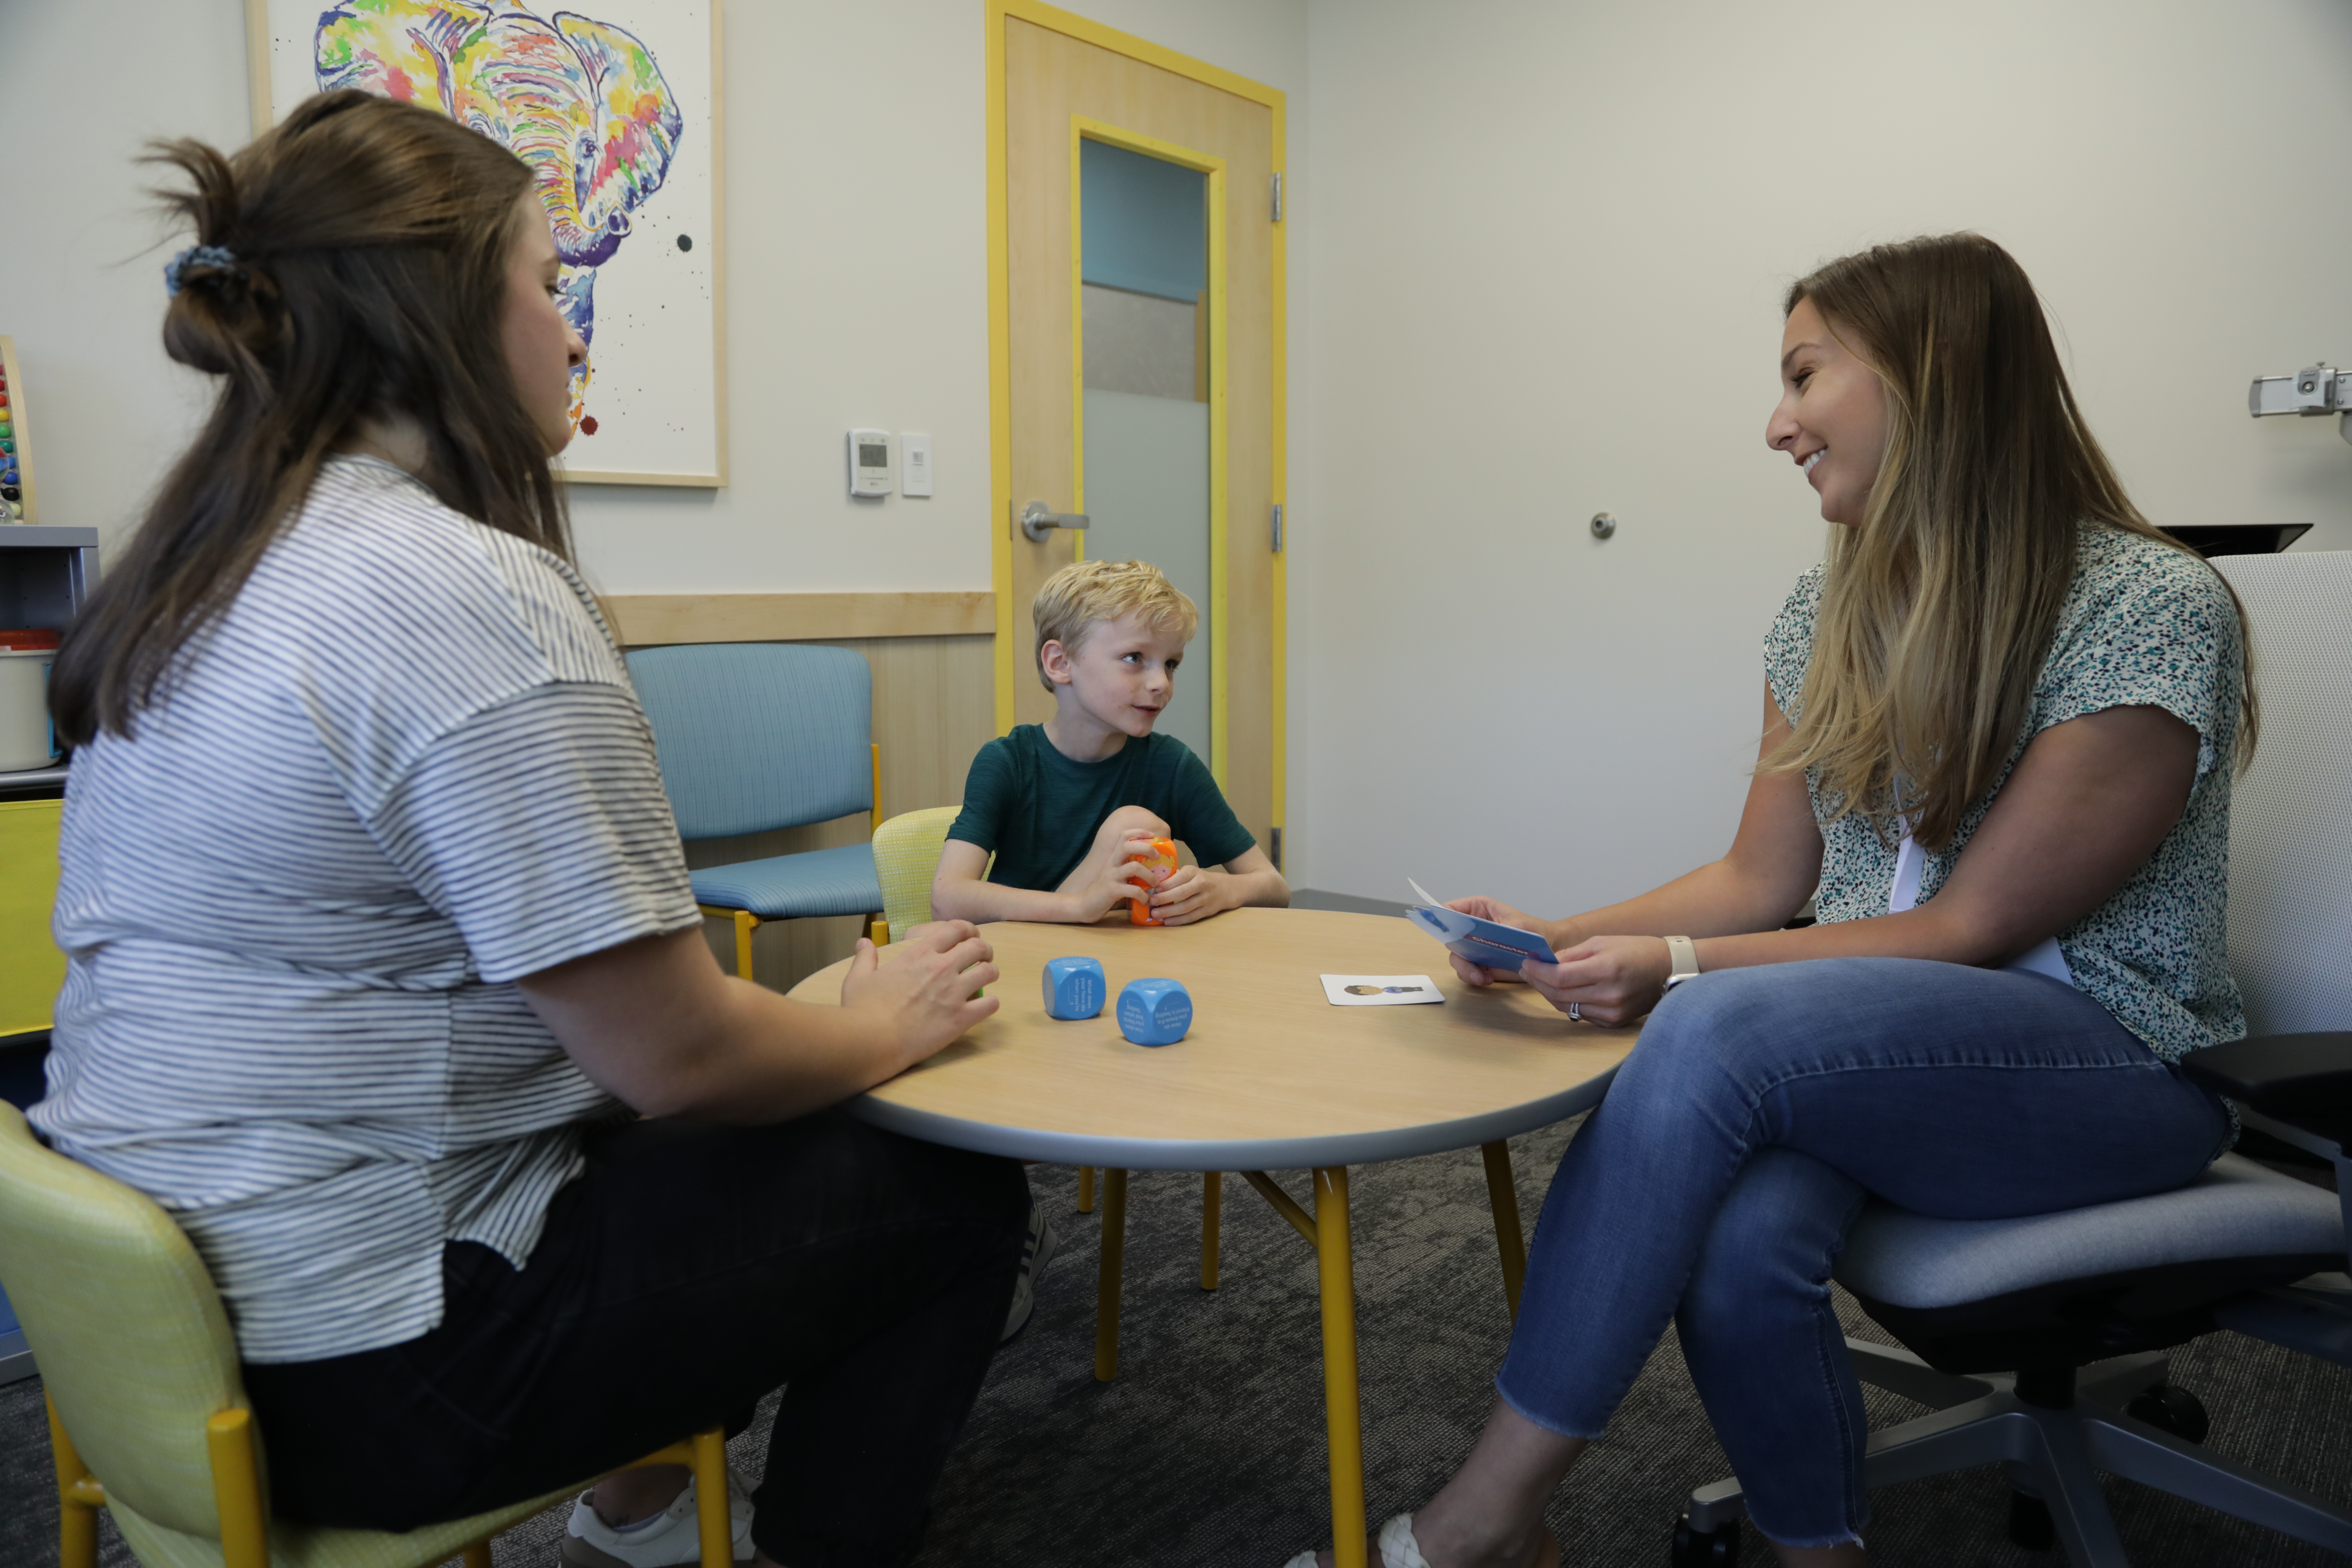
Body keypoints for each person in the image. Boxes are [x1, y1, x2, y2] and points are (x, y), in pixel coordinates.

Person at [34, 91, 1024, 1568]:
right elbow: (680, 1056)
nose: (574, 332)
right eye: (549, 286)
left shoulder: (203, 566)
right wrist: (889, 1016)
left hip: (156, 1327)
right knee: (944, 1182)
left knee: (670, 1136)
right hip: (367, 1361)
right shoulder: (458, 594)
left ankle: (637, 1510)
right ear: (438, 307)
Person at [1286, 233, 2253, 1568]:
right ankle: (1815, 1552)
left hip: (2106, 1062)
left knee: (1704, 1030)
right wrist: (1549, 936)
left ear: (1932, 373)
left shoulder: (2147, 605)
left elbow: (1969, 932)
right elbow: (1761, 878)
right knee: (1740, 1238)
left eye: (1803, 375)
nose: (1772, 424)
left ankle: (1481, 1521)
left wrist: (1672, 970)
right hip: (1880, 1059)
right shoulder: (1822, 611)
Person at [931, 557, 1289, 927]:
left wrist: (1221, 889)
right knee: (1132, 824)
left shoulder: (1173, 765)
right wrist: (1081, 905)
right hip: (1020, 960)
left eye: (1171, 663)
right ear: (1060, 662)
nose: (1161, 683)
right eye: (1135, 658)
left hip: (1122, 965)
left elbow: (1274, 887)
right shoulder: (1008, 762)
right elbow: (948, 899)